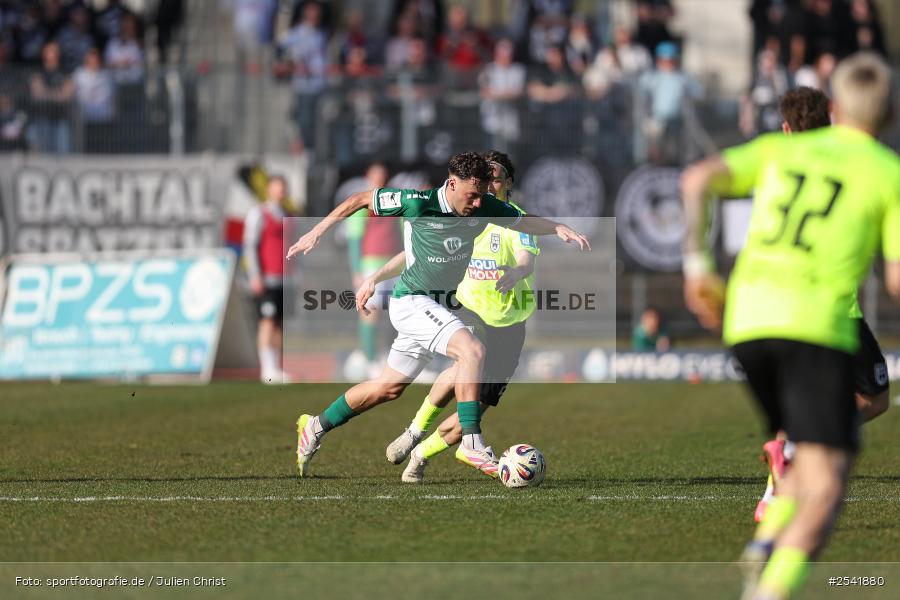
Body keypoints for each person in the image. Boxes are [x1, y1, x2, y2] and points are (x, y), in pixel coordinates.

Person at [680, 52, 899, 599]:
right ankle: (768, 586)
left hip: (747, 320)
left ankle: (766, 539)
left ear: (836, 105)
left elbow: (696, 179)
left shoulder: (782, 149)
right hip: (815, 324)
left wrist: (698, 268)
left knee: (812, 448)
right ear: (891, 113)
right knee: (826, 486)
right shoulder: (886, 171)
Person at [287, 151, 590, 478]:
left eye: (482, 194)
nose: (478, 203)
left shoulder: (484, 206)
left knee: (388, 388)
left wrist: (558, 227)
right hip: (412, 301)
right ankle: (471, 442)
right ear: (452, 184)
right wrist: (317, 231)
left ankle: (315, 425)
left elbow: (524, 221)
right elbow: (360, 199)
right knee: (472, 350)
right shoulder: (417, 203)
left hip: (437, 306)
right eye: (472, 195)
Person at [752, 85, 891, 524]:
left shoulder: (773, 161)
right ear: (831, 119)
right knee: (876, 398)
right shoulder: (851, 161)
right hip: (833, 312)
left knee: (795, 403)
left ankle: (774, 493)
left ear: (786, 128)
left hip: (770, 307)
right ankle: (797, 448)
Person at [357, 151, 538, 483]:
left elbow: (526, 256)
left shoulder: (514, 219)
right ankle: (415, 430)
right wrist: (376, 277)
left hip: (507, 326)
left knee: (475, 408)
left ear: (508, 183)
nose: (488, 186)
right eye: (484, 180)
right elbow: (413, 253)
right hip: (467, 313)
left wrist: (517, 271)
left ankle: (421, 453)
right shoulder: (464, 211)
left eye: (496, 179)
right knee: (461, 366)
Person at [345, 162, 402, 374]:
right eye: (376, 176)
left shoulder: (394, 202)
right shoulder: (362, 203)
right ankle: (369, 359)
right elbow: (354, 238)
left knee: (397, 313)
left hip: (393, 265)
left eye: (383, 176)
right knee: (370, 311)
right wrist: (356, 271)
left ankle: (390, 358)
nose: (380, 179)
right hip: (370, 265)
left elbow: (403, 231)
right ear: (368, 177)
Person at [243, 174, 292, 384]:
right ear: (269, 189)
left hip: (285, 278)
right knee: (267, 320)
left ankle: (277, 366)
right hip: (267, 278)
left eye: (283, 187)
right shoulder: (259, 213)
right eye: (277, 187)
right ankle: (267, 367)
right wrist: (255, 274)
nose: (280, 191)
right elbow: (250, 245)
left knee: (280, 324)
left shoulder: (288, 215)